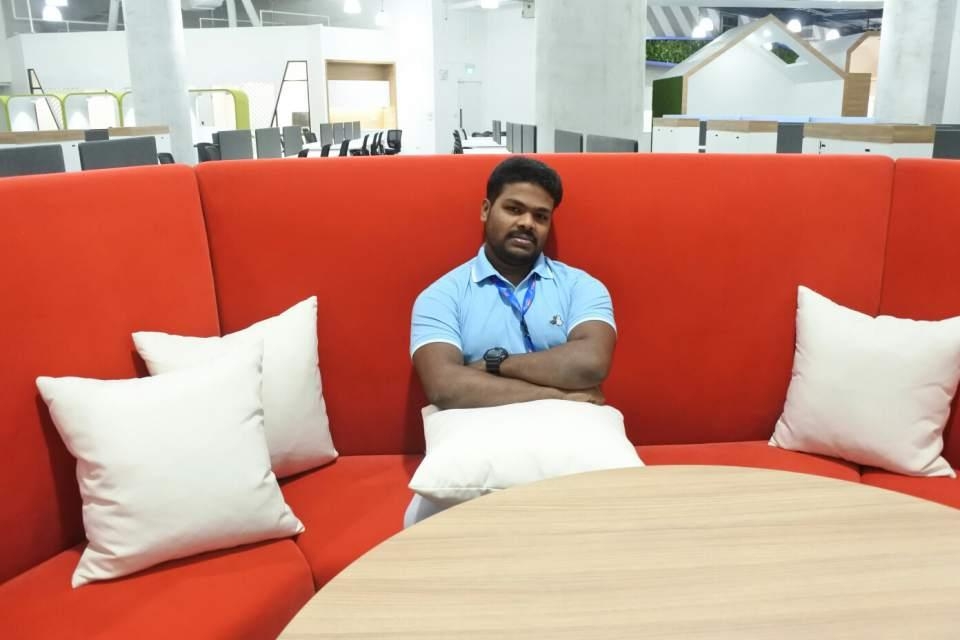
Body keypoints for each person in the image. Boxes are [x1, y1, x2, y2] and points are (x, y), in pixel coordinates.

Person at [405, 157, 617, 527]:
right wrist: (558, 394)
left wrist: (494, 364)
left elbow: (590, 363)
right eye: (514, 209)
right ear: (486, 210)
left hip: (572, 449)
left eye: (540, 216)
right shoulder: (441, 296)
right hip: (476, 462)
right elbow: (444, 386)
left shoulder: (581, 287)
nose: (527, 223)